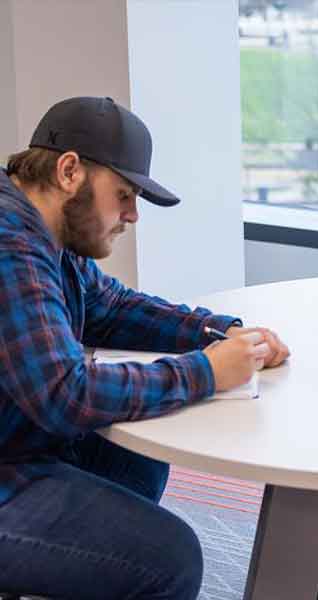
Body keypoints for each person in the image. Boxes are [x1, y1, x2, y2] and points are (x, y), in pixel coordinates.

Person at [0, 97, 291, 599]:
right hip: (10, 468)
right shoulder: (11, 246)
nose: (132, 215)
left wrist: (221, 332)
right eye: (124, 195)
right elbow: (63, 392)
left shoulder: (43, 232)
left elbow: (111, 307)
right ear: (69, 171)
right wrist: (205, 371)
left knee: (138, 455)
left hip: (18, 442)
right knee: (170, 559)